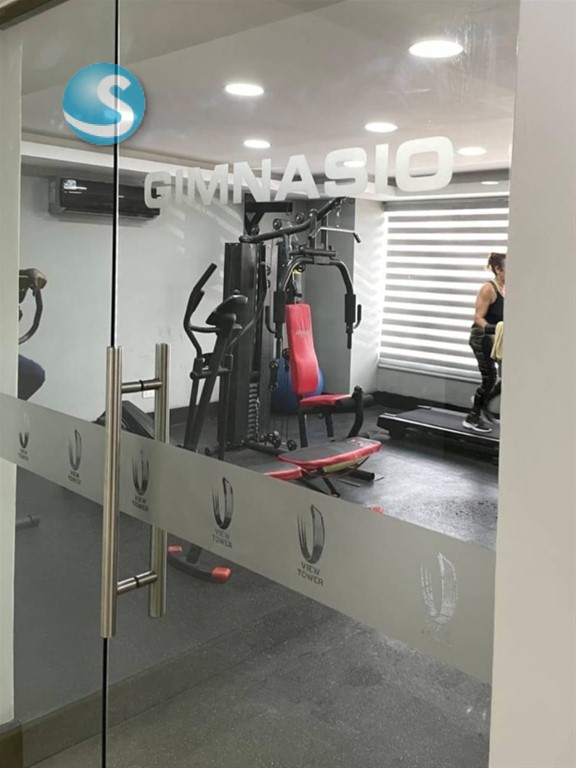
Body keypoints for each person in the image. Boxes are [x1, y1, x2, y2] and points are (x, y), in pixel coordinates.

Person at [463, 252, 505, 433]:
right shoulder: (488, 289)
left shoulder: (507, 288)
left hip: (498, 339)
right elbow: (478, 317)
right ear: (498, 269)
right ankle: (472, 418)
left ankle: (483, 402)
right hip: (481, 338)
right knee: (490, 378)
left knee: (508, 377)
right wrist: (493, 333)